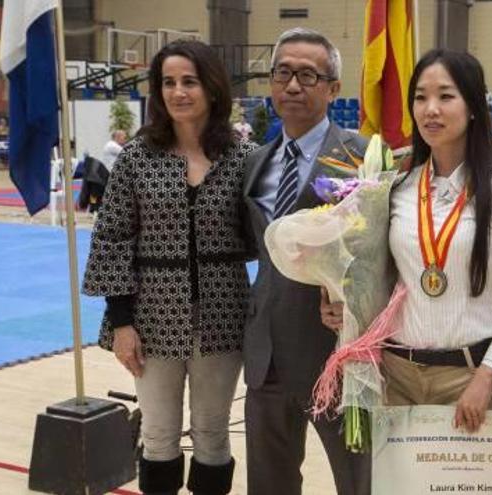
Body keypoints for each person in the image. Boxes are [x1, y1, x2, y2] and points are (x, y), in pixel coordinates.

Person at [322, 49, 492, 434]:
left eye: (446, 96)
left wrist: (488, 375)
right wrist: (341, 304)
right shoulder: (394, 189)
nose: (430, 109)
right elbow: (377, 279)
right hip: (395, 378)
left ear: (474, 106)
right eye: (420, 97)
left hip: (469, 380)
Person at [82, 39, 256, 495]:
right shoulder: (138, 157)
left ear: (212, 88)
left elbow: (264, 234)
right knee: (158, 434)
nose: (179, 92)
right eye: (169, 83)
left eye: (190, 82)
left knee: (213, 434)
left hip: (223, 315)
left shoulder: (242, 158)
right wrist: (121, 324)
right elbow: (113, 239)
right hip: (150, 317)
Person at [241, 28, 370, 495]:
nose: (293, 85)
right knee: (268, 485)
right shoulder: (255, 161)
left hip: (338, 353)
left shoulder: (362, 161)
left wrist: (357, 305)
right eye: (283, 73)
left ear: (333, 88)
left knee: (360, 483)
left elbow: (387, 262)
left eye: (308, 75)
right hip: (266, 356)